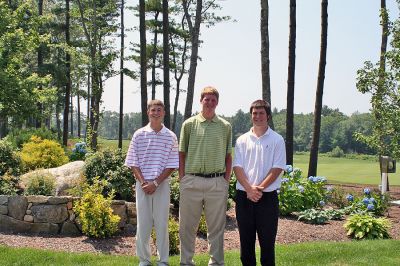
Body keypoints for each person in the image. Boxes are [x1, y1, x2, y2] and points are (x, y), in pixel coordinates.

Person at [178, 86, 232, 266]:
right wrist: (183, 178)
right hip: (191, 181)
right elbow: (181, 153)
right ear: (200, 101)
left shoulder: (225, 126)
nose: (209, 102)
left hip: (217, 182)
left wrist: (226, 180)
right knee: (187, 227)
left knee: (216, 228)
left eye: (213, 99)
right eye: (206, 99)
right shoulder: (189, 124)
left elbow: (228, 155)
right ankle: (186, 262)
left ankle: (216, 262)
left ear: (217, 102)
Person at [125, 99, 179, 266]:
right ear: (148, 112)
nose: (156, 113)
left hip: (161, 186)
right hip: (143, 186)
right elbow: (133, 162)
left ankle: (163, 260)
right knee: (143, 224)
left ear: (163, 113)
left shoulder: (171, 136)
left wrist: (155, 183)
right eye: (153, 110)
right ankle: (144, 259)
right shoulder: (139, 134)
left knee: (162, 223)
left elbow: (172, 165)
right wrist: (143, 183)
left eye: (159, 110)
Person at [233, 99, 286, 266]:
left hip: (267, 198)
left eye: (261, 113)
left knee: (267, 245)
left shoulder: (277, 140)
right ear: (251, 116)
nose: (257, 116)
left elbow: (277, 168)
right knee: (246, 244)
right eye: (254, 113)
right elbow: (237, 167)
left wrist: (259, 189)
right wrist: (249, 189)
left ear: (268, 116)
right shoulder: (242, 140)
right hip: (244, 197)